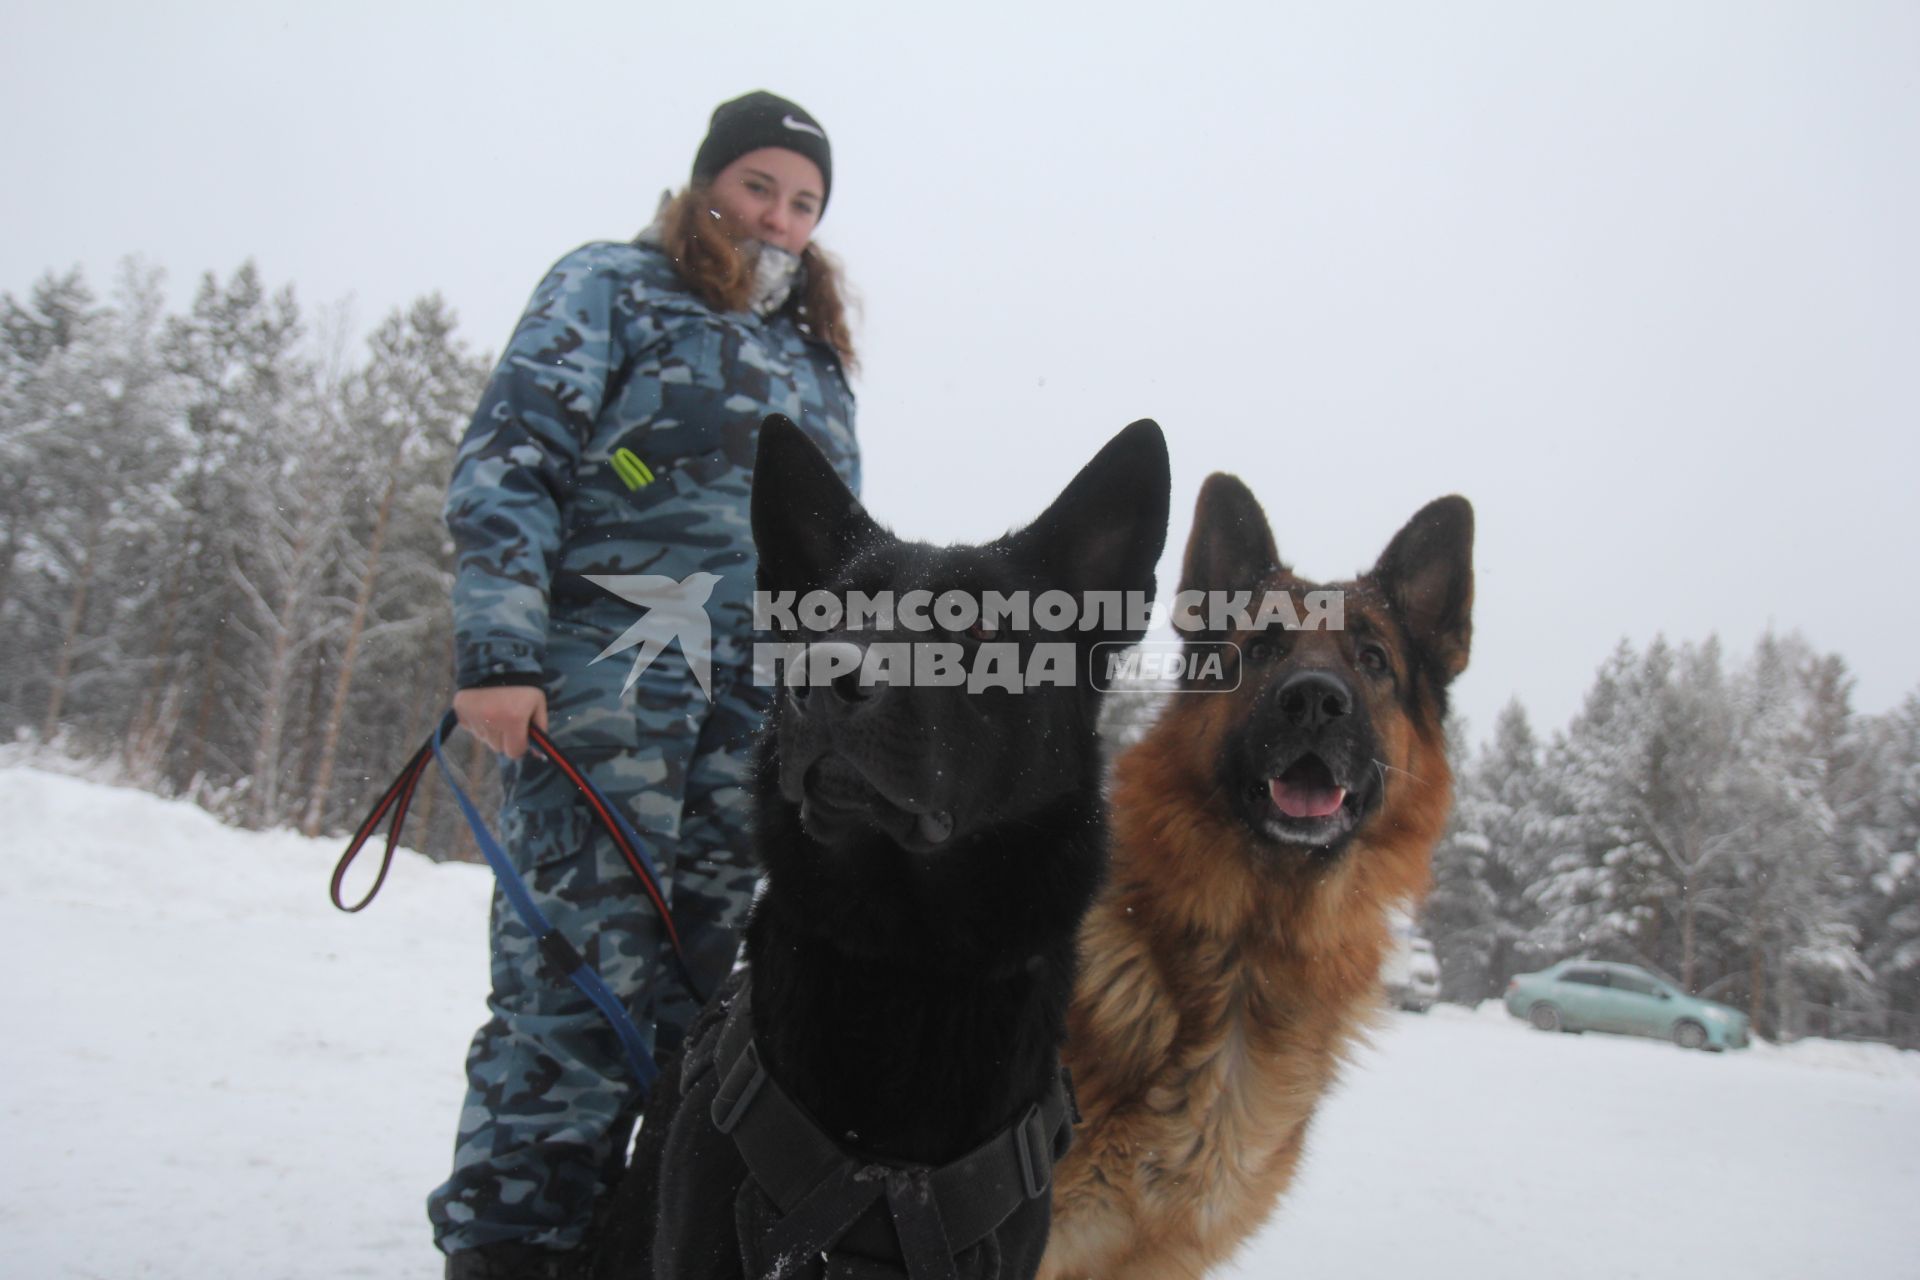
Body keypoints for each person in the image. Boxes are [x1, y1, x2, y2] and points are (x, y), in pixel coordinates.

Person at [430, 90, 860, 1279]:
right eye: (760, 184)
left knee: (703, 1006)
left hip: (751, 723)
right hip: (603, 691)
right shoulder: (613, 286)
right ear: (709, 181)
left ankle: (640, 1244)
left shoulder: (818, 359)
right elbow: (515, 456)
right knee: (571, 980)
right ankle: (515, 1247)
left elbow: (834, 558)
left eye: (805, 200)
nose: (778, 215)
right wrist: (500, 652)